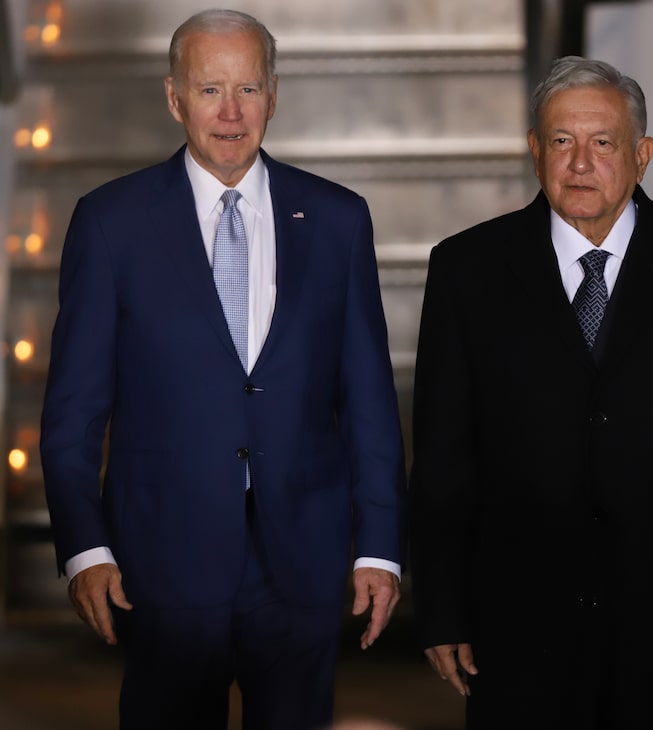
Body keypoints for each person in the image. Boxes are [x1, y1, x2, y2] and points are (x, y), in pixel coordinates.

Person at [39, 9, 405, 730]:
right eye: (210, 90)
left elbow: (368, 398)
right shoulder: (111, 223)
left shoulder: (337, 220)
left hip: (302, 560)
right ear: (174, 99)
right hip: (159, 567)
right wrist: (85, 548)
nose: (231, 113)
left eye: (248, 89)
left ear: (274, 95)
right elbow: (73, 412)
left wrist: (382, 550)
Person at [408, 56, 653, 729]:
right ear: (535, 152)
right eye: (562, 142)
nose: (580, 163)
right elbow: (444, 457)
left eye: (603, 143)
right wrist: (442, 608)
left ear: (641, 155)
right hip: (517, 633)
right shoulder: (466, 269)